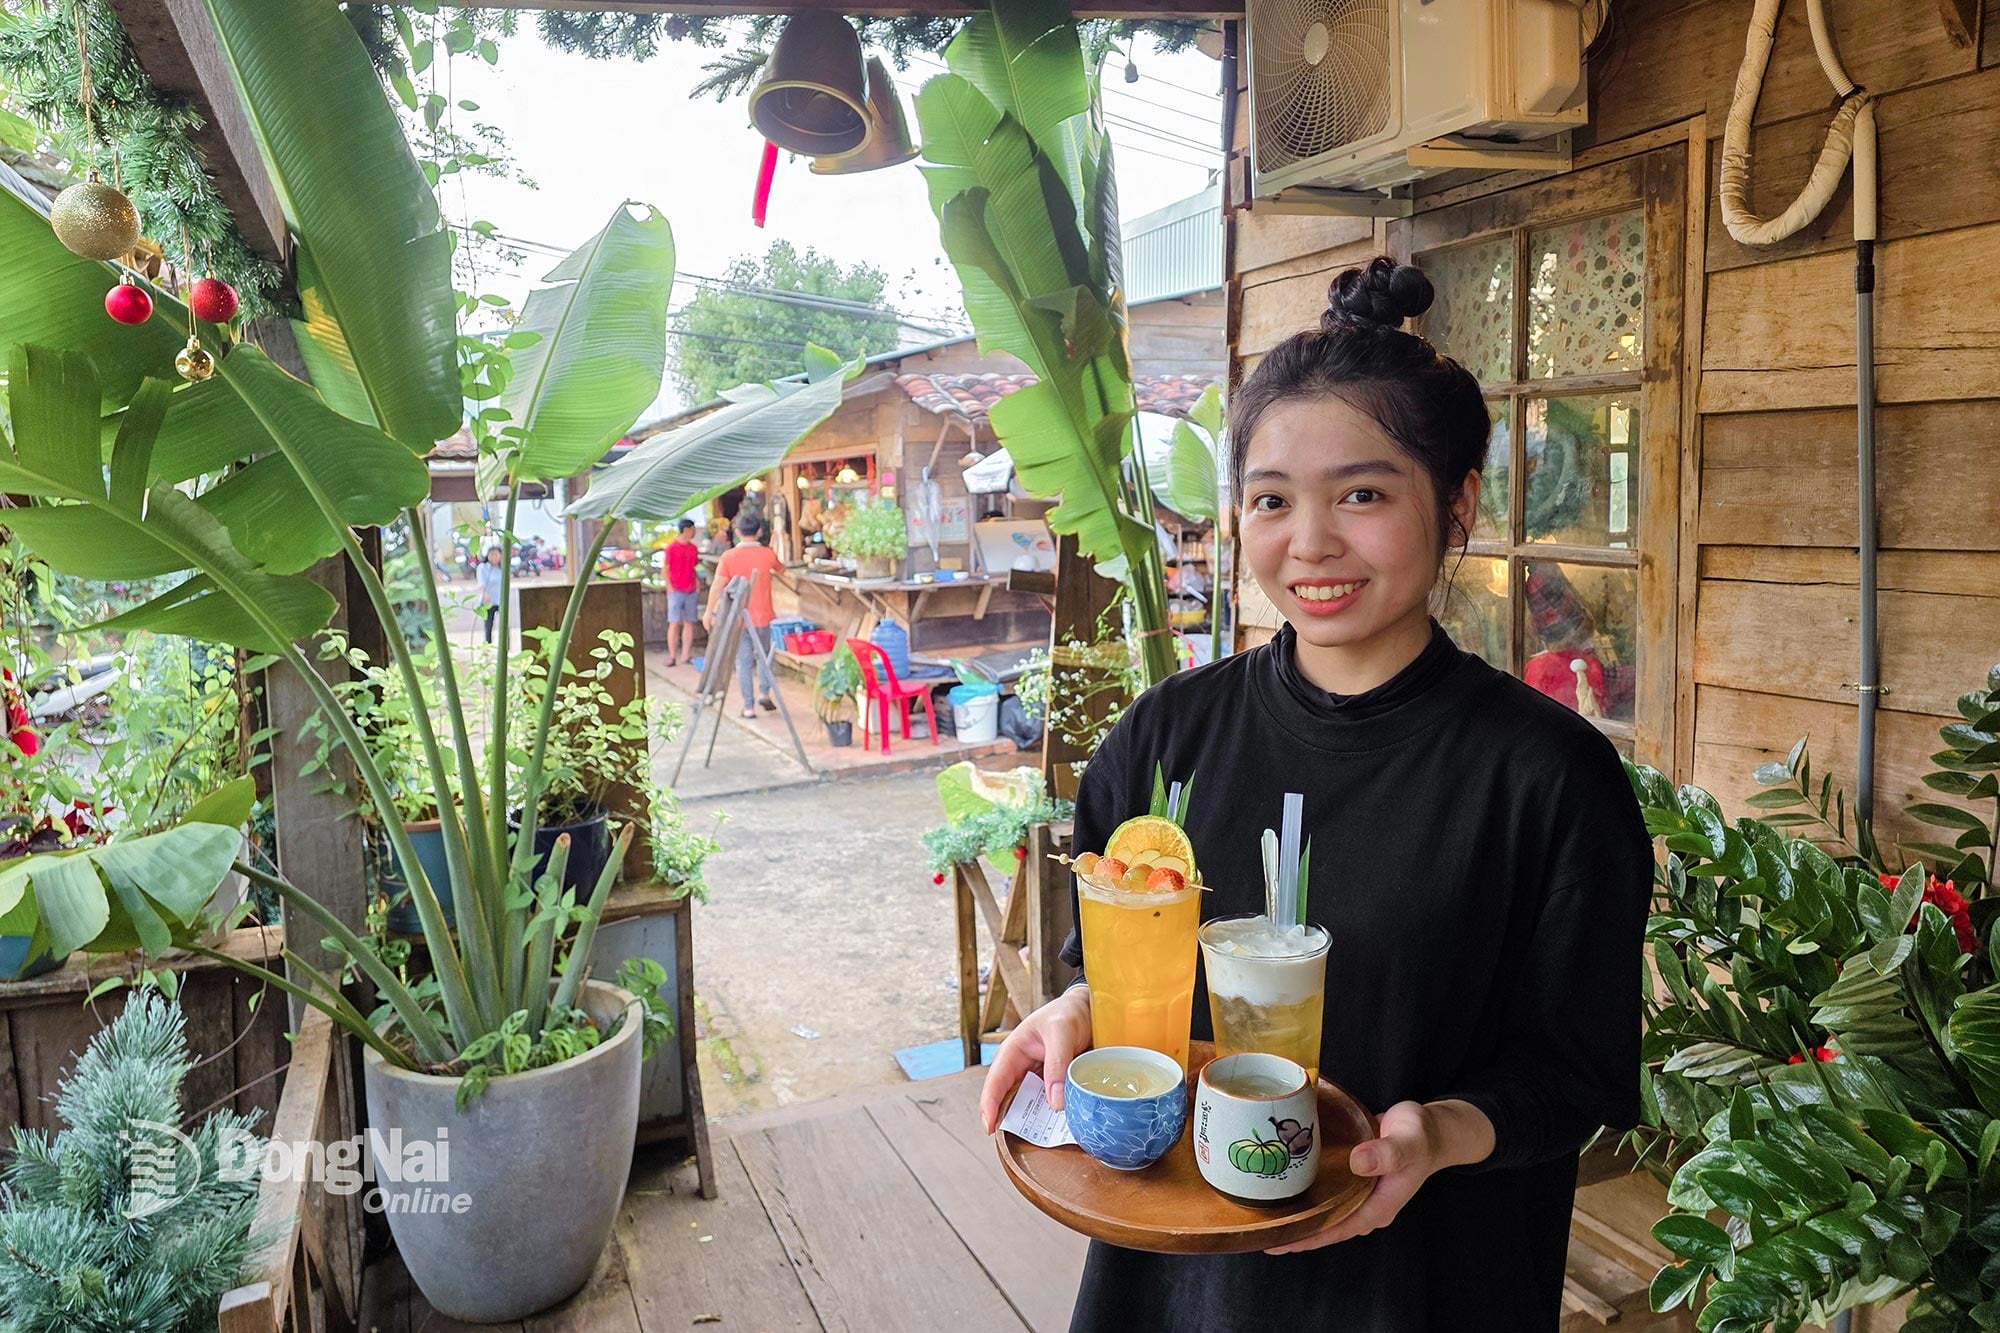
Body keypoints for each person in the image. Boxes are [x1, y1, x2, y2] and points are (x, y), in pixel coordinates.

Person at [976, 257, 1652, 1332]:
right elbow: (1111, 980)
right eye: (1271, 500)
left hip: (1425, 1280)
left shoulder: (1545, 775)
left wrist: (1434, 1133)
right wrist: (1070, 1010)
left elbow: (1572, 1076)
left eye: (1364, 494)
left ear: (1456, 501)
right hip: (1175, 1280)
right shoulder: (1162, 742)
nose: (1310, 542)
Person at [704, 512, 787, 719]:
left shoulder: (728, 557)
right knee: (765, 656)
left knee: (743, 662)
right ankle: (764, 692)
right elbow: (781, 570)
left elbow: (717, 586)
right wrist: (774, 548)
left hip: (738, 619)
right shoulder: (767, 554)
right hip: (764, 616)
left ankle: (748, 708)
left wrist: (709, 611)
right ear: (759, 531)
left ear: (737, 532)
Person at [664, 518, 702, 668]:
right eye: (693, 529)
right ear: (686, 530)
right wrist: (669, 586)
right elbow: (665, 569)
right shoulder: (671, 548)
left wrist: (697, 583)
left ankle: (685, 654)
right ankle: (672, 655)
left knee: (689, 622)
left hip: (691, 588)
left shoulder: (693, 548)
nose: (694, 532)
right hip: (676, 589)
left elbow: (693, 568)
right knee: (674, 623)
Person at [476, 546, 504, 644]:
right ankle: (488, 646)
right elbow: (481, 584)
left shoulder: (503, 569)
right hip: (488, 601)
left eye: (496, 554)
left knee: (504, 625)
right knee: (488, 625)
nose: (494, 557)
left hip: (501, 600)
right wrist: (485, 595)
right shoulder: (483, 568)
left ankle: (506, 647)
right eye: (491, 554)